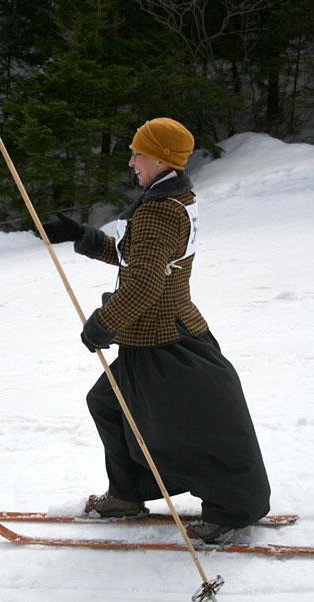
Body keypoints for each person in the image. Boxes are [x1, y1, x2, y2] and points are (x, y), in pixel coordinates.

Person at [42, 117, 270, 543]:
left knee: (189, 428)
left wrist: (102, 325)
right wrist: (86, 238)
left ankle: (233, 508)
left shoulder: (159, 211)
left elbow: (145, 282)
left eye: (138, 153)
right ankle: (128, 494)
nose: (131, 162)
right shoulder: (175, 199)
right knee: (108, 405)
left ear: (162, 158)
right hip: (158, 333)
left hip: (164, 341)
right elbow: (143, 261)